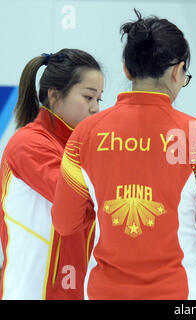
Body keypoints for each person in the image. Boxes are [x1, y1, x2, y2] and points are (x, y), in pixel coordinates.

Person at [50, 9, 196, 300]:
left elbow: (65, 222)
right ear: (177, 71)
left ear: (127, 69)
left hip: (105, 291)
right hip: (178, 293)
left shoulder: (85, 133)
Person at [0, 49, 103, 299]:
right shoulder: (29, 144)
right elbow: (78, 201)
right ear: (55, 95)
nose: (96, 109)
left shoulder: (85, 148)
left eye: (100, 99)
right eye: (88, 97)